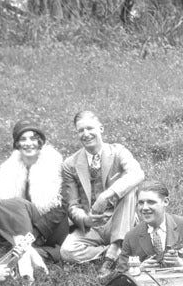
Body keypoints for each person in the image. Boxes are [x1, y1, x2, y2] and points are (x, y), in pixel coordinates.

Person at [59, 110, 145, 271]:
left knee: (129, 189)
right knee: (67, 252)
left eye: (90, 128)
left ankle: (117, 245)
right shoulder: (70, 164)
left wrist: (106, 195)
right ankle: (114, 252)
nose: (86, 134)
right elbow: (72, 205)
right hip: (94, 226)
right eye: (81, 130)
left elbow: (137, 173)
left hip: (119, 219)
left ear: (101, 129)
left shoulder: (118, 152)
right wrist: (85, 220)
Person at [0, 119, 69, 262]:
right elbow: (3, 205)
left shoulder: (55, 164)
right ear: (17, 144)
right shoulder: (7, 169)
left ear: (40, 142)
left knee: (18, 204)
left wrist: (36, 232)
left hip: (51, 227)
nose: (28, 143)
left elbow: (63, 206)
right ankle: (34, 251)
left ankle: (39, 250)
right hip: (23, 225)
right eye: (23, 139)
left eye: (33, 138)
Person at [103, 181, 183, 283]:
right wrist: (139, 269)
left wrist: (181, 263)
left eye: (151, 202)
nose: (144, 208)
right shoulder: (131, 237)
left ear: (165, 202)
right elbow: (119, 278)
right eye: (141, 203)